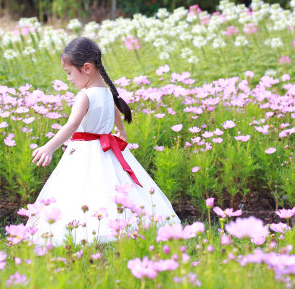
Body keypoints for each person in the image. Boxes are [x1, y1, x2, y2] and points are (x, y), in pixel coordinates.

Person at [25, 37, 180, 247]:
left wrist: (49, 146)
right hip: (107, 149)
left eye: (69, 72)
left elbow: (72, 125)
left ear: (86, 68)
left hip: (85, 151)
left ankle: (86, 229)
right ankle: (114, 226)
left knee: (82, 190)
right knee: (109, 186)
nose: (69, 79)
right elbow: (115, 112)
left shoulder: (85, 95)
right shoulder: (107, 93)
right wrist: (121, 130)